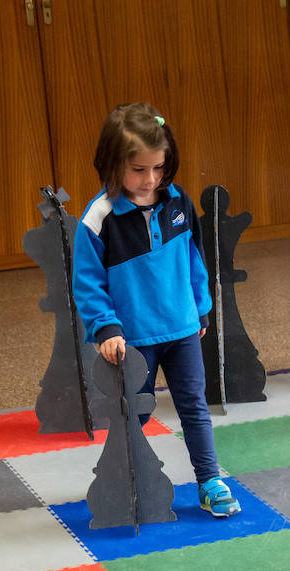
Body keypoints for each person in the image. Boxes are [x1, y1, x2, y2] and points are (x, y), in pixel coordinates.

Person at [73, 102, 240, 517]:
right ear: (113, 164)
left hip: (182, 329)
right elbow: (87, 283)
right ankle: (127, 479)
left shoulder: (177, 200)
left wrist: (201, 310)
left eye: (158, 168)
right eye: (138, 170)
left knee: (193, 406)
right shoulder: (99, 218)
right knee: (135, 415)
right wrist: (105, 328)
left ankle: (209, 480)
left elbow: (194, 259)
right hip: (132, 341)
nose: (150, 180)